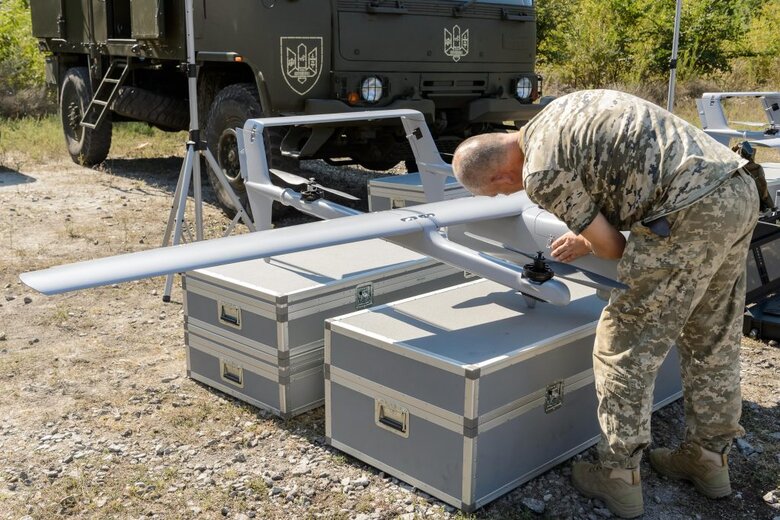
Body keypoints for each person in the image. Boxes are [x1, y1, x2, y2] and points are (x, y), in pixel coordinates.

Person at [452, 89, 759, 519]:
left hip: (691, 212)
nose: (506, 197)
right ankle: (709, 461)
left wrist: (590, 239)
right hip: (738, 188)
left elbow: (614, 249)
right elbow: (629, 166)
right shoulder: (558, 110)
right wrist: (584, 235)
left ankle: (618, 477)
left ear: (501, 179)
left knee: (622, 347)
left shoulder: (540, 173)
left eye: (498, 195)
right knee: (713, 335)